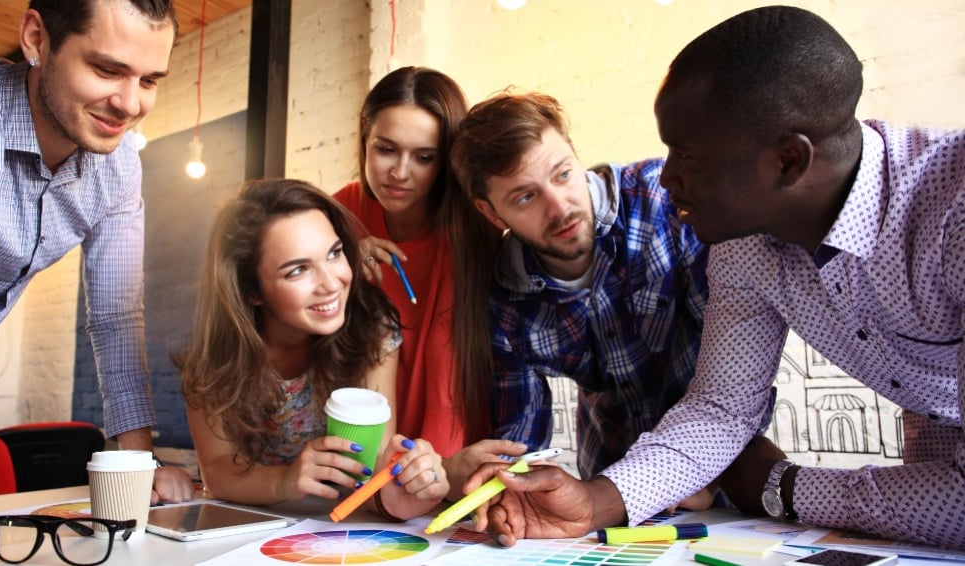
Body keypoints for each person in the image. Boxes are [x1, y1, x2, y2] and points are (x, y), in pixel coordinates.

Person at [467, 5, 965, 551]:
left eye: (687, 155)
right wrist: (592, 503)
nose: (667, 176)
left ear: (787, 162)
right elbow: (722, 410)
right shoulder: (742, 242)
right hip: (933, 439)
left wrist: (782, 487)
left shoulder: (952, 208)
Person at [0, 0, 194, 562]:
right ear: (36, 37)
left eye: (149, 80)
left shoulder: (119, 162)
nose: (129, 104)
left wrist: (138, 467)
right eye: (106, 69)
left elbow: (116, 317)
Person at [447, 91, 718, 506]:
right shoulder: (504, 302)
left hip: (720, 473)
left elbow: (733, 368)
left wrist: (697, 471)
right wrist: (508, 491)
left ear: (575, 154)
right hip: (606, 484)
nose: (559, 208)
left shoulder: (664, 201)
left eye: (562, 174)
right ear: (491, 213)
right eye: (525, 197)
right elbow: (520, 443)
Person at [179, 179, 448, 520]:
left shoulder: (371, 325)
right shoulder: (214, 358)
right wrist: (285, 481)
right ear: (252, 291)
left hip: (334, 530)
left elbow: (373, 459)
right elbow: (217, 471)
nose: (332, 283)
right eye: (298, 270)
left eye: (334, 253)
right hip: (244, 528)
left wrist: (408, 481)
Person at [333, 67, 503, 461]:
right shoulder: (336, 215)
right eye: (385, 149)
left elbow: (450, 377)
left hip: (450, 451)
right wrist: (337, 261)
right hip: (358, 444)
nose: (399, 172)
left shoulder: (472, 229)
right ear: (364, 140)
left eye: (424, 157)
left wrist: (437, 471)